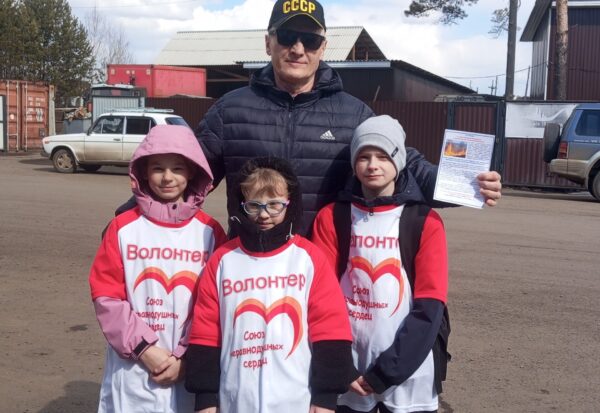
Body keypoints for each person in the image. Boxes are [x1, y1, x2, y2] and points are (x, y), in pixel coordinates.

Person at [191, 0, 502, 236]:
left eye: (310, 40)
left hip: (325, 273)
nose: (298, 49)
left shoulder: (353, 114)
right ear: (268, 42)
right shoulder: (229, 111)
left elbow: (405, 166)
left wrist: (466, 184)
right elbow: (186, 179)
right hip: (249, 267)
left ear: (323, 48)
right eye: (286, 36)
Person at [185, 157, 356, 413]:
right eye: (254, 205)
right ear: (241, 206)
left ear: (290, 204)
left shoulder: (308, 258)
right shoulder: (223, 259)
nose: (264, 215)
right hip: (236, 398)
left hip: (295, 399)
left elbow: (330, 326)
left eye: (274, 205)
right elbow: (206, 331)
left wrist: (326, 397)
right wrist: (205, 397)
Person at [311, 115, 449, 413]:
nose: (373, 165)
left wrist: (387, 372)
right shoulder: (332, 217)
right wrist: (341, 365)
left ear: (399, 160)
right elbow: (322, 299)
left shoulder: (425, 221)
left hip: (408, 375)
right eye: (364, 157)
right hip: (349, 372)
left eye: (383, 156)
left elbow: (430, 306)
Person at [89, 125, 226, 413]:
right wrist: (144, 349)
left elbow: (215, 305)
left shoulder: (210, 232)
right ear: (142, 172)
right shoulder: (122, 227)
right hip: (134, 366)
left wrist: (186, 357)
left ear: (193, 172)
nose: (167, 177)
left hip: (187, 367)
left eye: (177, 168)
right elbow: (107, 296)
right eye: (157, 168)